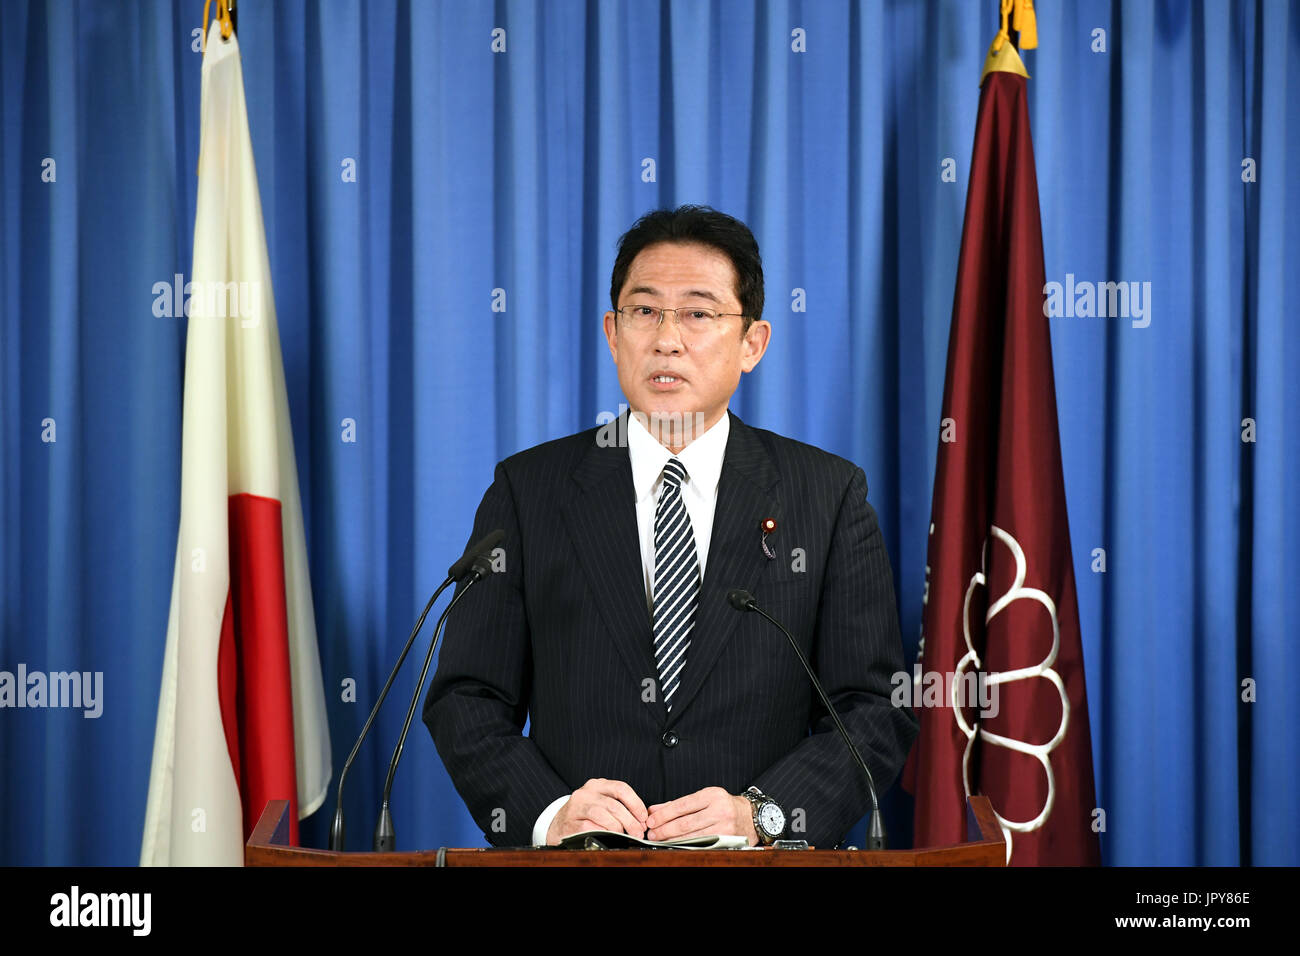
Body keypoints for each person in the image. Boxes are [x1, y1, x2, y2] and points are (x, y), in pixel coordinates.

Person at [423, 205, 917, 848]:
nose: (666, 338)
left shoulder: (827, 496)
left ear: (752, 344)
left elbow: (872, 710)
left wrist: (765, 813)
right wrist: (551, 814)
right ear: (612, 332)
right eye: (644, 310)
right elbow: (468, 696)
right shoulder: (529, 490)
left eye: (698, 313)